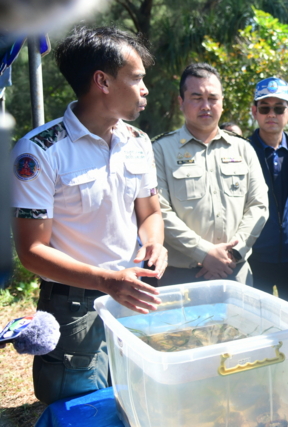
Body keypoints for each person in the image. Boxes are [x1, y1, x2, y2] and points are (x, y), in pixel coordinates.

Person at [10, 26, 167, 404]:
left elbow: (149, 212)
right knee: (77, 409)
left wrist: (155, 244)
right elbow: (32, 251)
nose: (145, 89)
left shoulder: (138, 142)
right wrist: (108, 281)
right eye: (136, 79)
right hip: (73, 308)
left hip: (132, 297)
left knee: (134, 401)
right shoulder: (40, 152)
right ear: (103, 81)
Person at [153, 63, 268, 286]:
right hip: (182, 276)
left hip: (235, 271)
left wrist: (233, 253)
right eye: (196, 98)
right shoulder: (160, 150)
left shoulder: (243, 149)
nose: (206, 105)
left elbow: (258, 205)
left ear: (222, 103)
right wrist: (204, 252)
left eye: (213, 98)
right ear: (181, 102)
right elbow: (159, 211)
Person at [245, 77, 288, 425]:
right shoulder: (238, 150)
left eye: (279, 108)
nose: (271, 114)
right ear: (254, 111)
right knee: (253, 334)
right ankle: (258, 402)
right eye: (264, 107)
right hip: (254, 260)